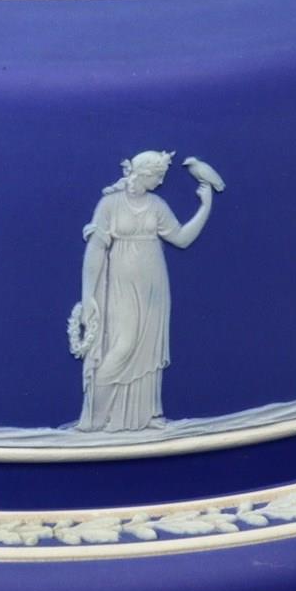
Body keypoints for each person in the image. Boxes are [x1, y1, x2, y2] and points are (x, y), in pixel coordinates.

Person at [72, 151, 216, 432]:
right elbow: (96, 249)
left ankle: (146, 414)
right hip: (121, 287)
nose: (161, 182)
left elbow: (181, 239)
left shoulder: (157, 205)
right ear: (143, 173)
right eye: (158, 176)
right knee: (122, 346)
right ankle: (94, 419)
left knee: (148, 350)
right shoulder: (110, 204)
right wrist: (88, 295)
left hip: (154, 286)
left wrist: (205, 206)